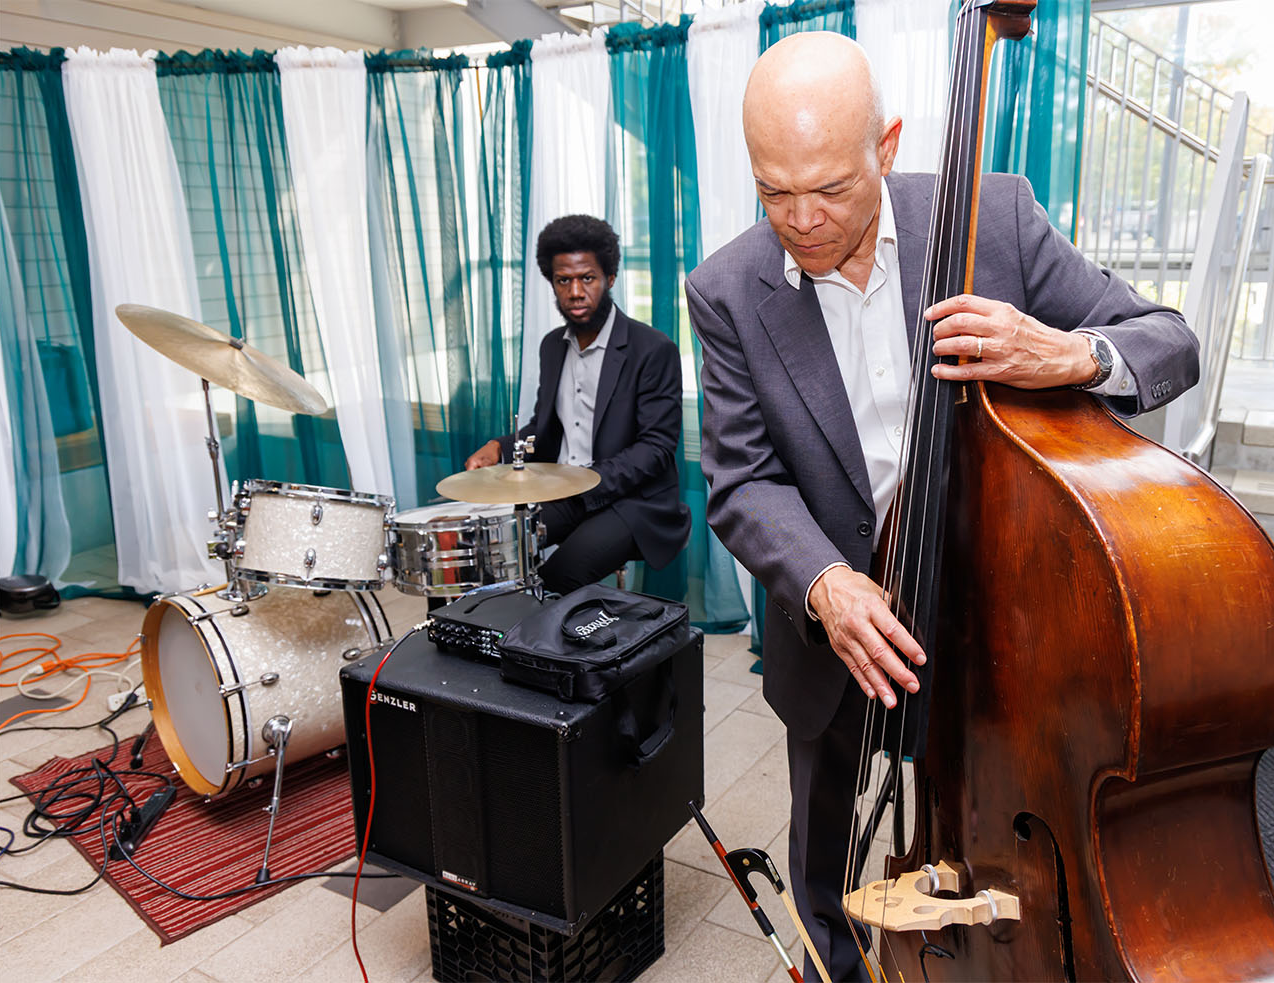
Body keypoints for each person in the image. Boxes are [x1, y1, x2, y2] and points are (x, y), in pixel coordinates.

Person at [684, 33, 1199, 982]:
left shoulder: (992, 218)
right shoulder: (725, 287)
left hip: (1002, 623)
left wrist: (1066, 354)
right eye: (772, 191)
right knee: (827, 859)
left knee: (1001, 853)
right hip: (837, 636)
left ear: (885, 144)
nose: (799, 219)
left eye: (830, 189)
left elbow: (1169, 340)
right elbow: (741, 477)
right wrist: (826, 585)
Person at [467, 215, 690, 594]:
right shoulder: (553, 346)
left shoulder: (653, 349)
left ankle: (558, 648)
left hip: (632, 503)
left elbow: (656, 449)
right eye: (563, 280)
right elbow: (544, 430)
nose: (575, 292)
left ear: (610, 278)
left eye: (587, 278)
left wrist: (586, 483)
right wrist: (500, 448)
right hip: (565, 493)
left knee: (558, 576)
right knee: (492, 549)